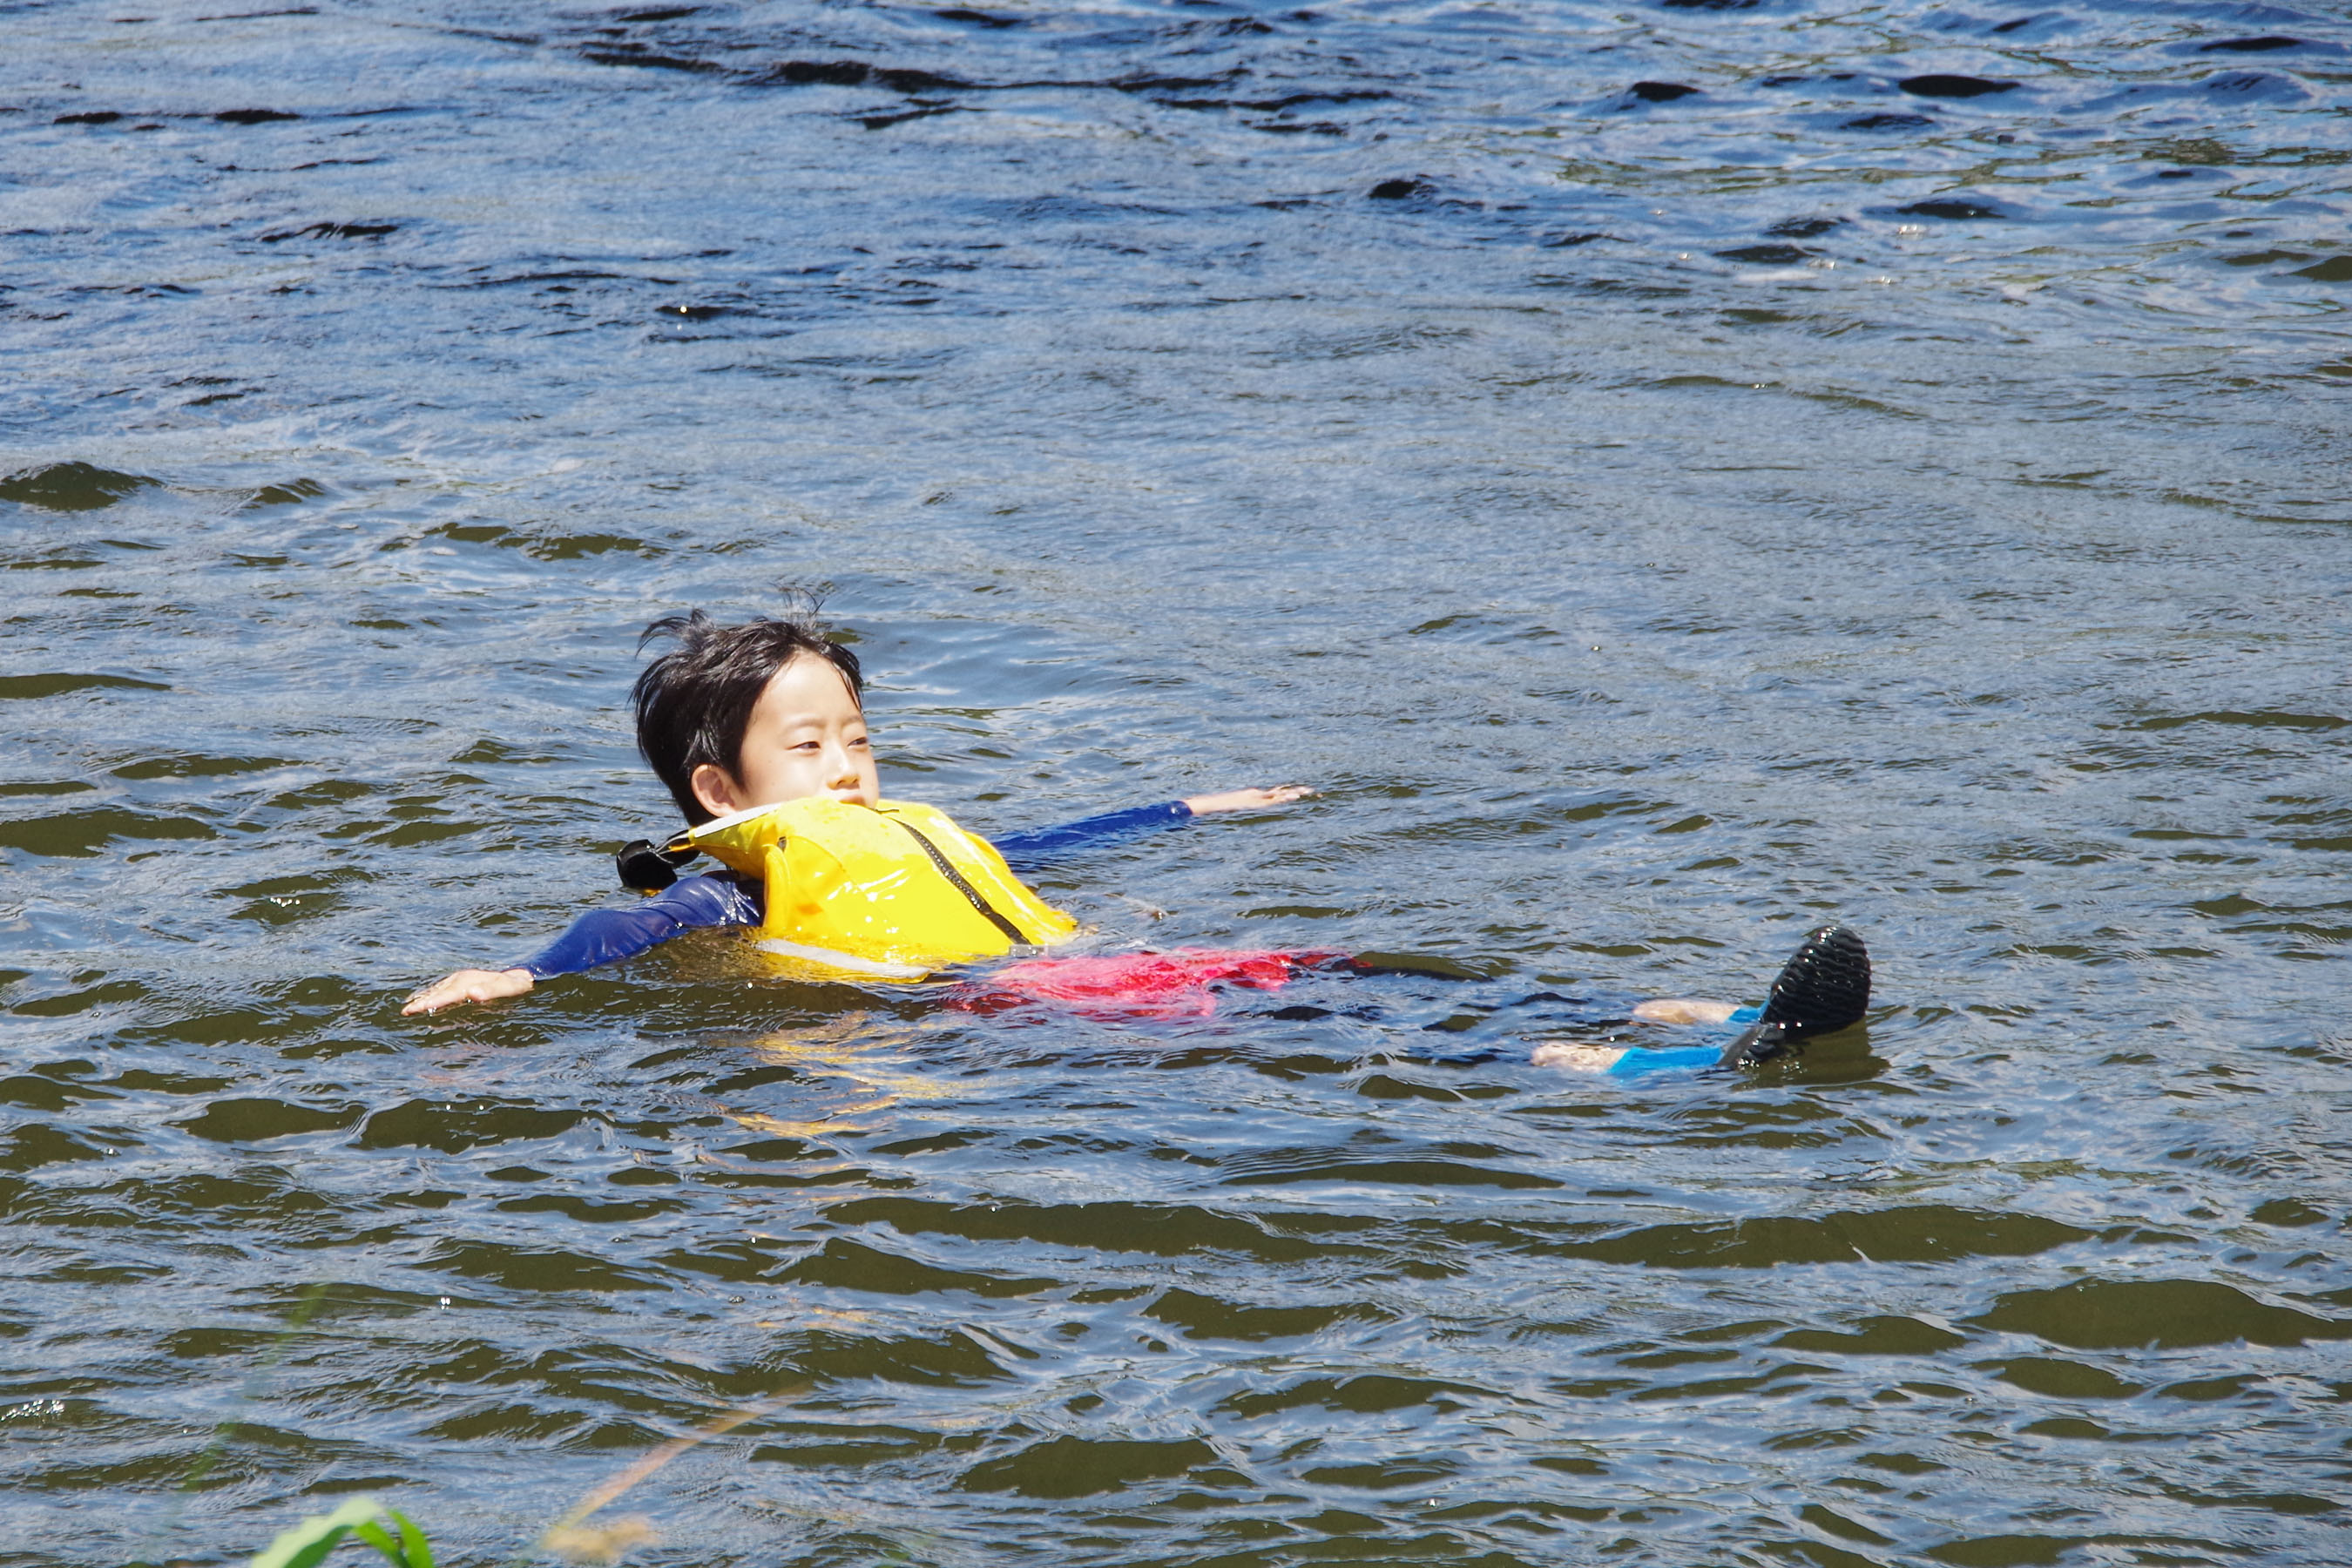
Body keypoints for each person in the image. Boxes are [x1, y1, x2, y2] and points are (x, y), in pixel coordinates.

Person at [403, 608, 1871, 1074]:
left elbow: (1042, 841)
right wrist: (507, 983)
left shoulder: (905, 839)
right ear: (721, 797)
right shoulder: (699, 912)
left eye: (858, 736)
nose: (850, 768)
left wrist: (1183, 808)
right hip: (1008, 1024)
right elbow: (596, 954)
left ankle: (1690, 1009)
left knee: (1342, 967)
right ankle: (1623, 1066)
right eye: (811, 747)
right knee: (1328, 1036)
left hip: (1099, 970)